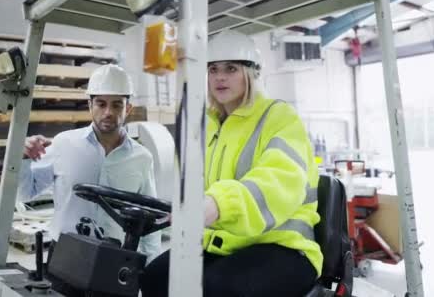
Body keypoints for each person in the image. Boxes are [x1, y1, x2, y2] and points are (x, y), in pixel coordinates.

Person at [141, 30, 322, 296]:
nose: (220, 77)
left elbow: (280, 178)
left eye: (231, 68)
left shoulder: (279, 117)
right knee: (154, 277)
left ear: (252, 73)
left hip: (283, 245)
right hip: (224, 244)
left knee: (220, 288)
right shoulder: (207, 124)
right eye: (213, 69)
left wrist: (219, 204)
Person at [17, 64, 162, 296]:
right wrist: (23, 157)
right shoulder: (65, 144)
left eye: (117, 104)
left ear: (129, 108)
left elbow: (149, 218)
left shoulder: (142, 158)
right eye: (101, 103)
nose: (108, 112)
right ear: (89, 105)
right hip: (67, 256)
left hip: (114, 260)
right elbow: (26, 192)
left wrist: (149, 269)